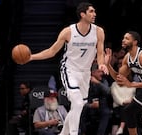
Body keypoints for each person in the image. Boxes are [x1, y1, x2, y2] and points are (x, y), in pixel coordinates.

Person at [25, 2, 108, 135]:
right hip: (69, 70)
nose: (95, 14)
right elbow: (51, 51)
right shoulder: (68, 32)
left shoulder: (99, 31)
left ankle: (64, 133)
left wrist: (102, 63)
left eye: (94, 11)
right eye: (91, 11)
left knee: (78, 106)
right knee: (77, 103)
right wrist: (31, 57)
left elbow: (100, 52)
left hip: (85, 72)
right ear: (82, 14)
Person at [80, 62, 111, 135]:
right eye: (99, 72)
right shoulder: (85, 82)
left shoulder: (103, 81)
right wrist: (90, 105)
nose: (102, 73)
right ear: (92, 72)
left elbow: (108, 91)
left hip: (101, 106)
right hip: (88, 105)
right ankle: (83, 132)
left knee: (106, 111)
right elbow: (80, 99)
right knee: (82, 110)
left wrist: (98, 83)